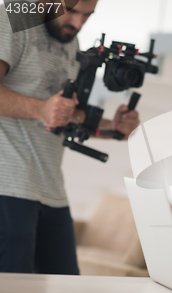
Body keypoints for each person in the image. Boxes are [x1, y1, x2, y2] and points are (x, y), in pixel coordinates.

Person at [0, 0, 139, 274]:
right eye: (72, 11)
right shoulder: (15, 15)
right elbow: (45, 110)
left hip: (51, 192)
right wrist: (40, 109)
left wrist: (114, 126)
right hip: (7, 188)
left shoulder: (69, 41)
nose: (77, 24)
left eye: (87, 16)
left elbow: (64, 115)